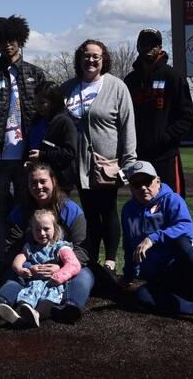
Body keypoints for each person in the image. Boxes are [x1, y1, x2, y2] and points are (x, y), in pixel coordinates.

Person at [118, 161, 193, 332]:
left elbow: (185, 227)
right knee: (141, 296)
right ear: (130, 188)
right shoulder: (128, 210)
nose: (143, 187)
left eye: (147, 182)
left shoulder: (172, 199)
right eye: (136, 184)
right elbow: (129, 245)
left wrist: (152, 238)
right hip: (164, 280)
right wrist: (128, 275)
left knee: (181, 241)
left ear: (158, 181)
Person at [0, 15, 47, 273]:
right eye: (2, 41)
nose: (8, 45)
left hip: (27, 158)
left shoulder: (35, 73)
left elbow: (46, 109)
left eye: (12, 40)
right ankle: (1, 265)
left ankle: (28, 260)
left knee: (28, 211)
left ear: (20, 40)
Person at [0, 163, 95, 324]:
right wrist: (27, 268)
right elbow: (11, 248)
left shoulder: (72, 210)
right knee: (13, 275)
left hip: (66, 266)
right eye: (33, 183)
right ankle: (0, 303)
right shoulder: (19, 212)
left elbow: (82, 250)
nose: (38, 187)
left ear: (53, 181)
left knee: (85, 275)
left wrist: (61, 267)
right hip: (31, 266)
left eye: (43, 181)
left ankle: (70, 307)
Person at [62, 40, 136, 272]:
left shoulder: (116, 86)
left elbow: (127, 126)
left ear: (104, 60)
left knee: (108, 209)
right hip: (78, 163)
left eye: (96, 56)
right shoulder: (68, 88)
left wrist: (129, 159)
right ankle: (91, 260)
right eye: (86, 55)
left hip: (107, 162)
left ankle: (111, 261)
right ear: (79, 59)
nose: (91, 60)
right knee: (89, 212)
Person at [124, 28, 193, 197]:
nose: (148, 47)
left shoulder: (173, 76)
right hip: (139, 156)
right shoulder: (130, 80)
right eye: (144, 43)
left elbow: (187, 116)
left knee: (173, 201)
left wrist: (164, 137)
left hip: (166, 156)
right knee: (142, 203)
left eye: (153, 44)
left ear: (160, 47)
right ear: (138, 46)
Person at [0, 209, 81, 328]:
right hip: (34, 283)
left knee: (47, 301)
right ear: (32, 231)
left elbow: (73, 264)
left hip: (52, 284)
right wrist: (20, 269)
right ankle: (18, 316)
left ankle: (37, 315)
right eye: (37, 230)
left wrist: (59, 275)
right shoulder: (30, 247)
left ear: (55, 229)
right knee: (25, 298)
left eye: (46, 229)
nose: (41, 233)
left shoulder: (60, 247)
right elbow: (18, 259)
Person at [27, 80, 78, 192]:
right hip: (37, 178)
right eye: (36, 103)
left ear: (54, 102)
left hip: (58, 181)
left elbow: (70, 152)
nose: (38, 107)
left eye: (42, 103)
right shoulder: (36, 120)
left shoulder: (64, 122)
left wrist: (43, 155)